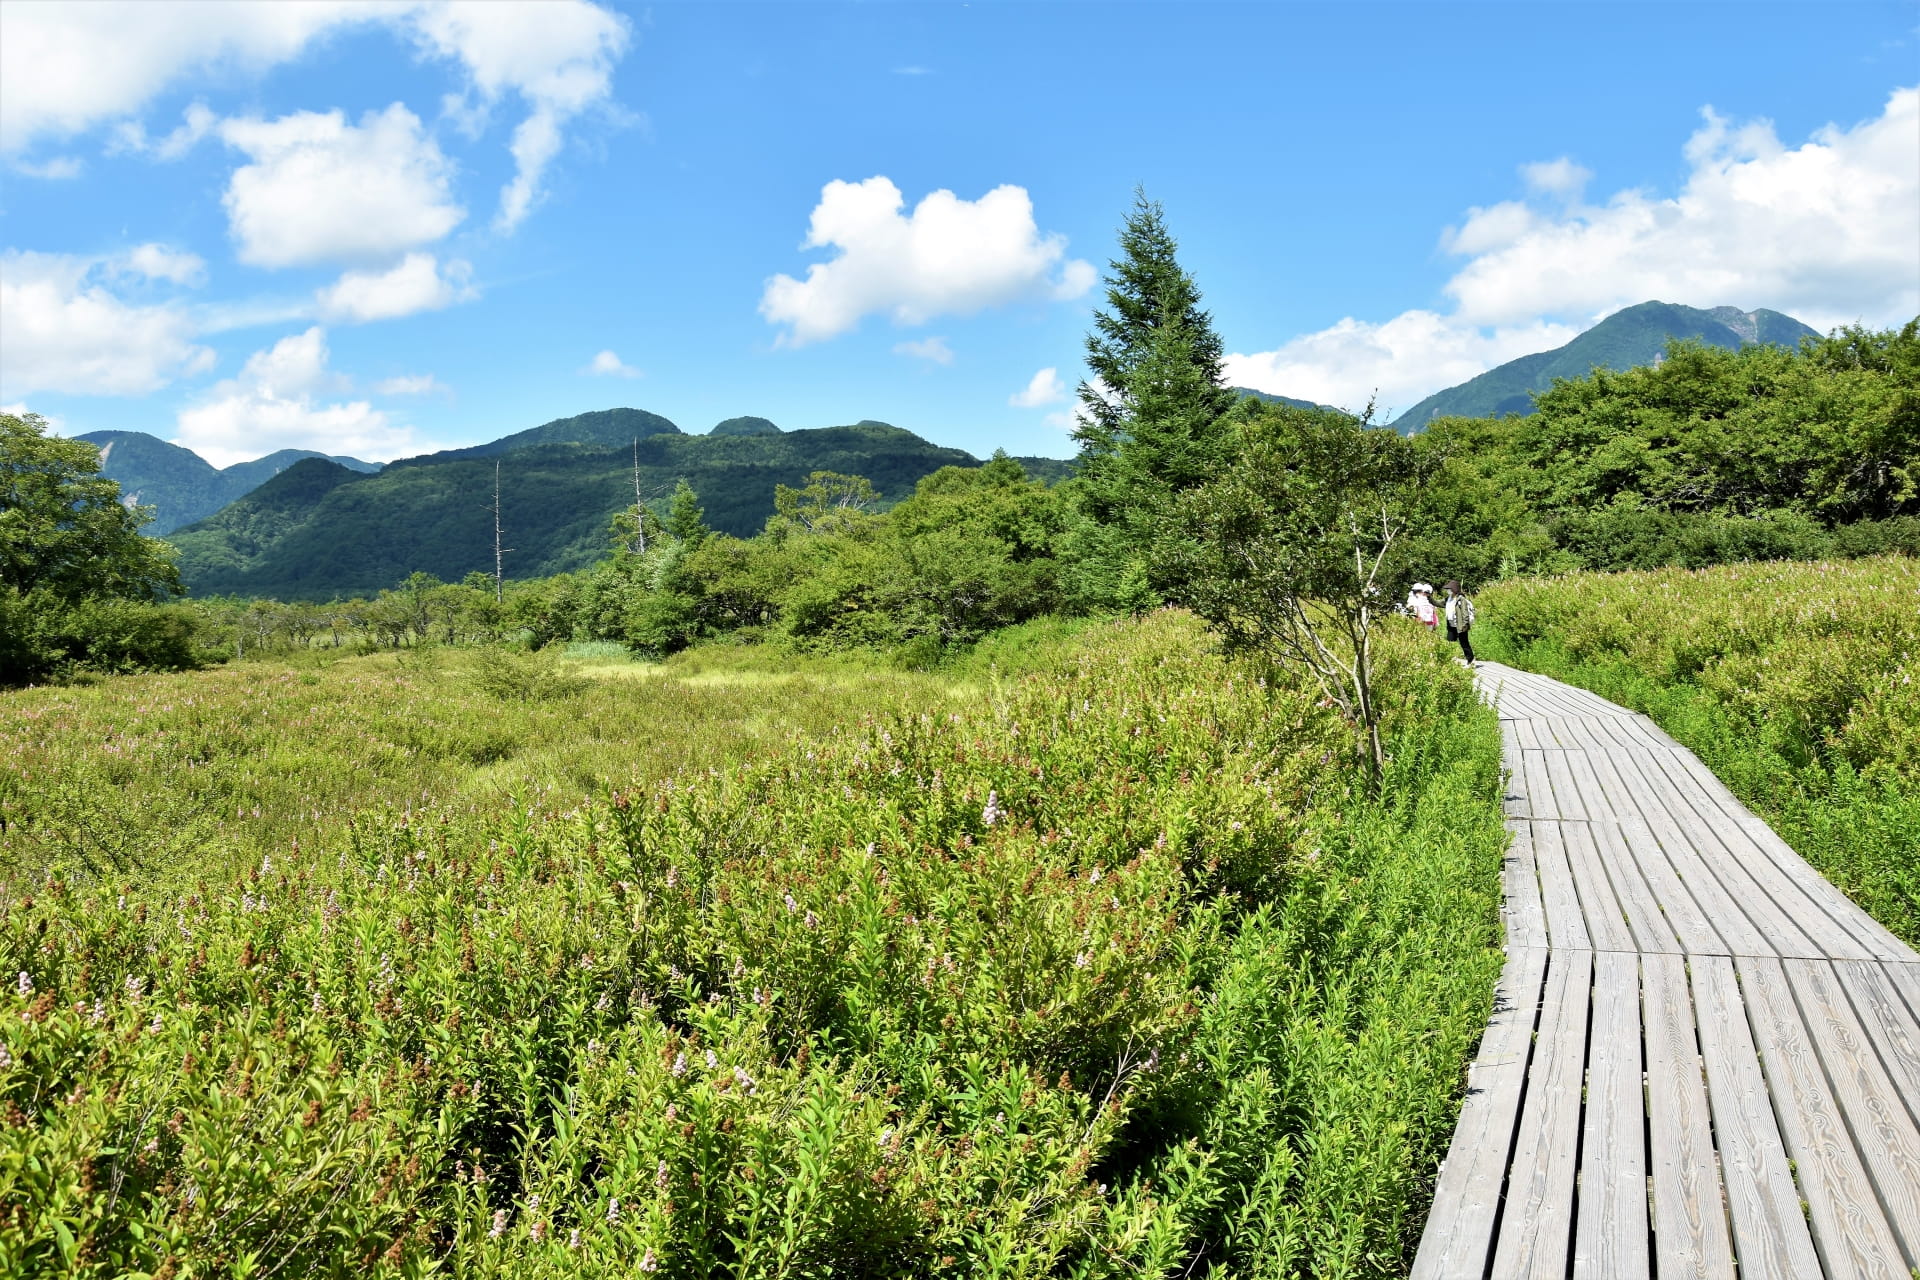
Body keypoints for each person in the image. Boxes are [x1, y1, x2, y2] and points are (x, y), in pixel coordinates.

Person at [1443, 580, 1475, 664]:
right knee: (1449, 641)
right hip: (1451, 624)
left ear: (1454, 589)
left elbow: (1465, 613)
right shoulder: (1448, 599)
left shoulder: (1461, 599)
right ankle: (1450, 658)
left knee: (1464, 643)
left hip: (1460, 625)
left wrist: (1465, 625)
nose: (1448, 590)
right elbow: (1438, 603)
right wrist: (1429, 598)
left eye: (1450, 589)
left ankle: (1470, 659)